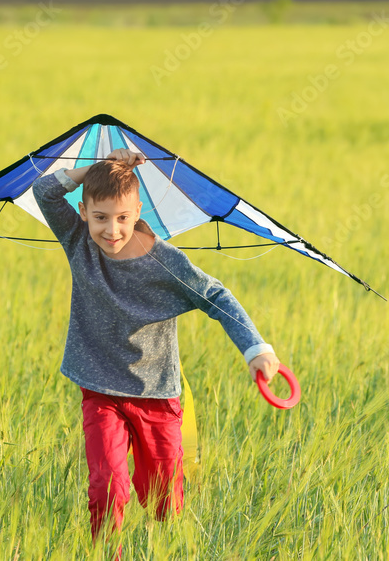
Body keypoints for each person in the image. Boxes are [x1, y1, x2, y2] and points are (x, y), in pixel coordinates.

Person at [32, 148, 281, 541]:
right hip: (100, 390)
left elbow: (217, 297)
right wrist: (94, 171)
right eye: (100, 218)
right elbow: (43, 191)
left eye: (122, 218)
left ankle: (161, 545)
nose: (111, 230)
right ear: (82, 212)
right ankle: (103, 551)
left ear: (137, 211)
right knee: (107, 486)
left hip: (156, 393)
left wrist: (256, 349)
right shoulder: (77, 239)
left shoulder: (165, 263)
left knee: (163, 498)